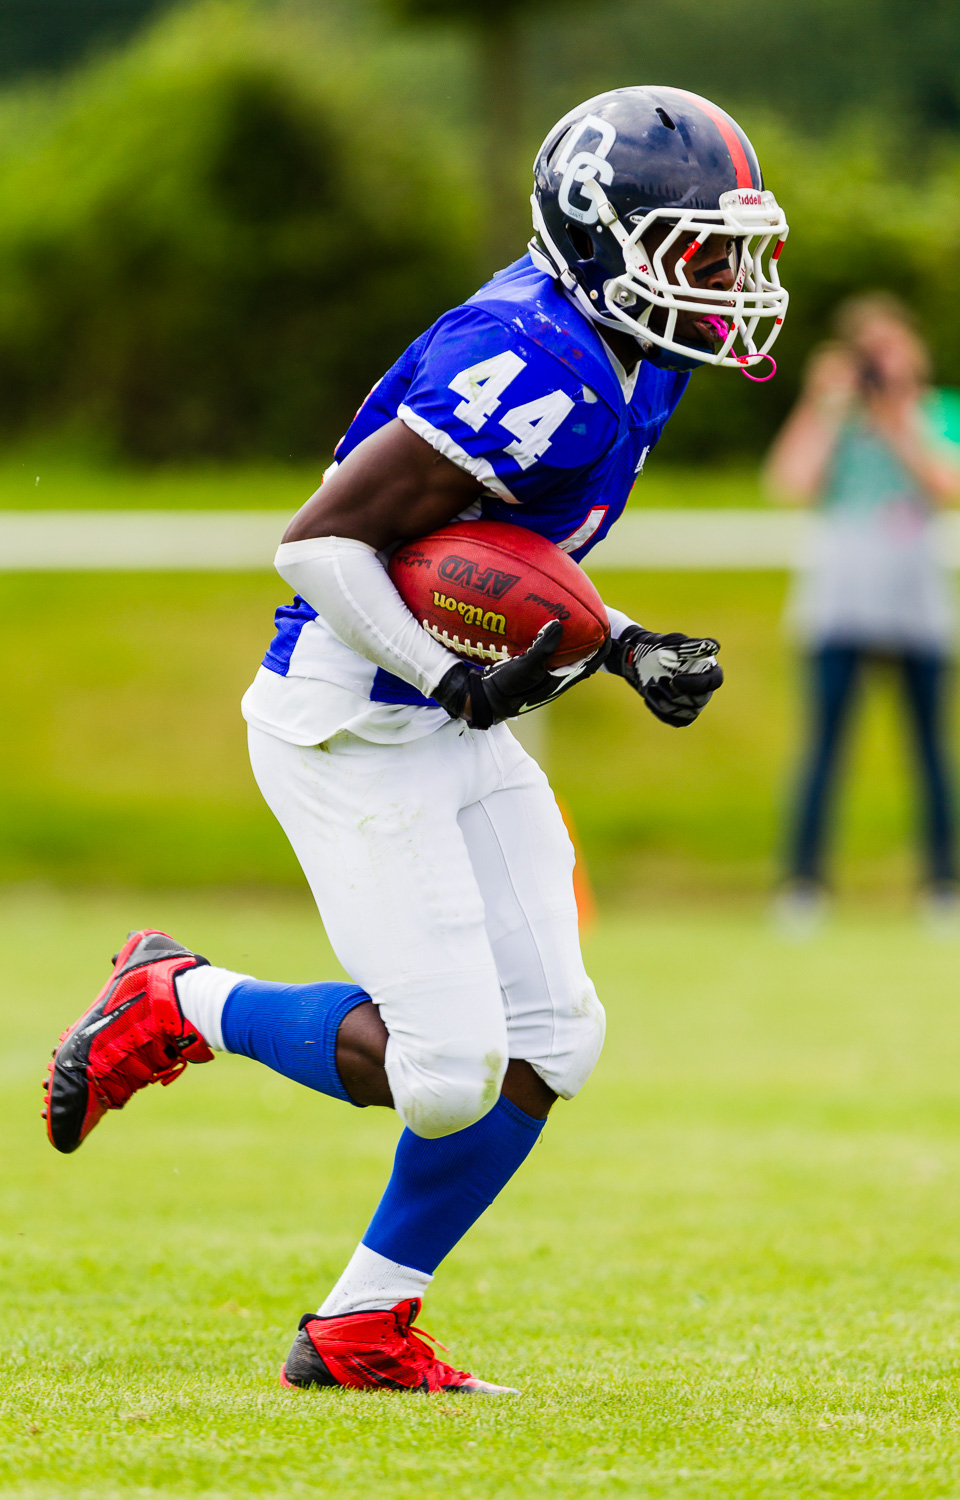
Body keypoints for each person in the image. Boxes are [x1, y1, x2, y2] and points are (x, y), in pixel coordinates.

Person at [42, 86, 788, 1393]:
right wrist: (446, 676)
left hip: (443, 714)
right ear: (600, 237)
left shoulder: (633, 352)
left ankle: (361, 1328)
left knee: (554, 1036)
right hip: (353, 723)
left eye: (735, 252)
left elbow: (497, 551)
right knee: (448, 1075)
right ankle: (177, 1000)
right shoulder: (529, 355)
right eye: (701, 252)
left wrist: (618, 642)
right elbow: (321, 542)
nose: (727, 280)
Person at [766, 294, 960, 925]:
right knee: (824, 750)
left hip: (922, 604)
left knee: (932, 753)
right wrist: (822, 405)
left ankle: (945, 885)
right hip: (839, 604)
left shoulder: (945, 412)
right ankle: (803, 885)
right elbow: (788, 484)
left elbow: (955, 487)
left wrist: (898, 418)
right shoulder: (836, 417)